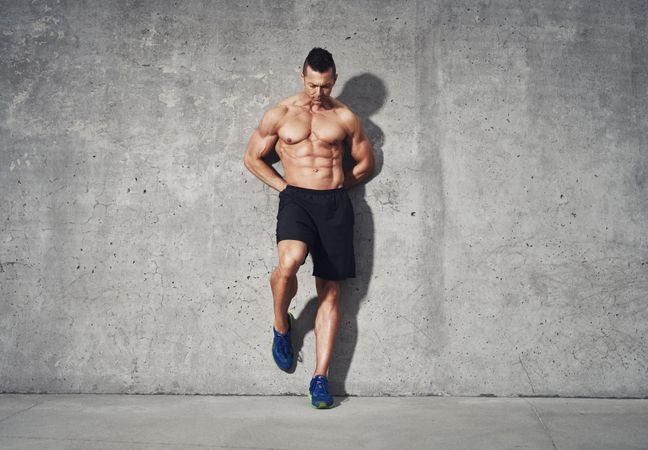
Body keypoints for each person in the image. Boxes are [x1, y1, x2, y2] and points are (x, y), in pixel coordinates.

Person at [243, 47, 375, 408]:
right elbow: (252, 156)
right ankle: (281, 325)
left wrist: (334, 186)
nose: (319, 93)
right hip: (296, 199)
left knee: (331, 291)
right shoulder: (281, 113)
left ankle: (320, 378)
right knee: (289, 262)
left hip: (333, 204)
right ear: (302, 77)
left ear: (334, 79)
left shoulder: (346, 118)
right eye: (313, 85)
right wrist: (285, 187)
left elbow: (365, 163)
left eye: (326, 85)